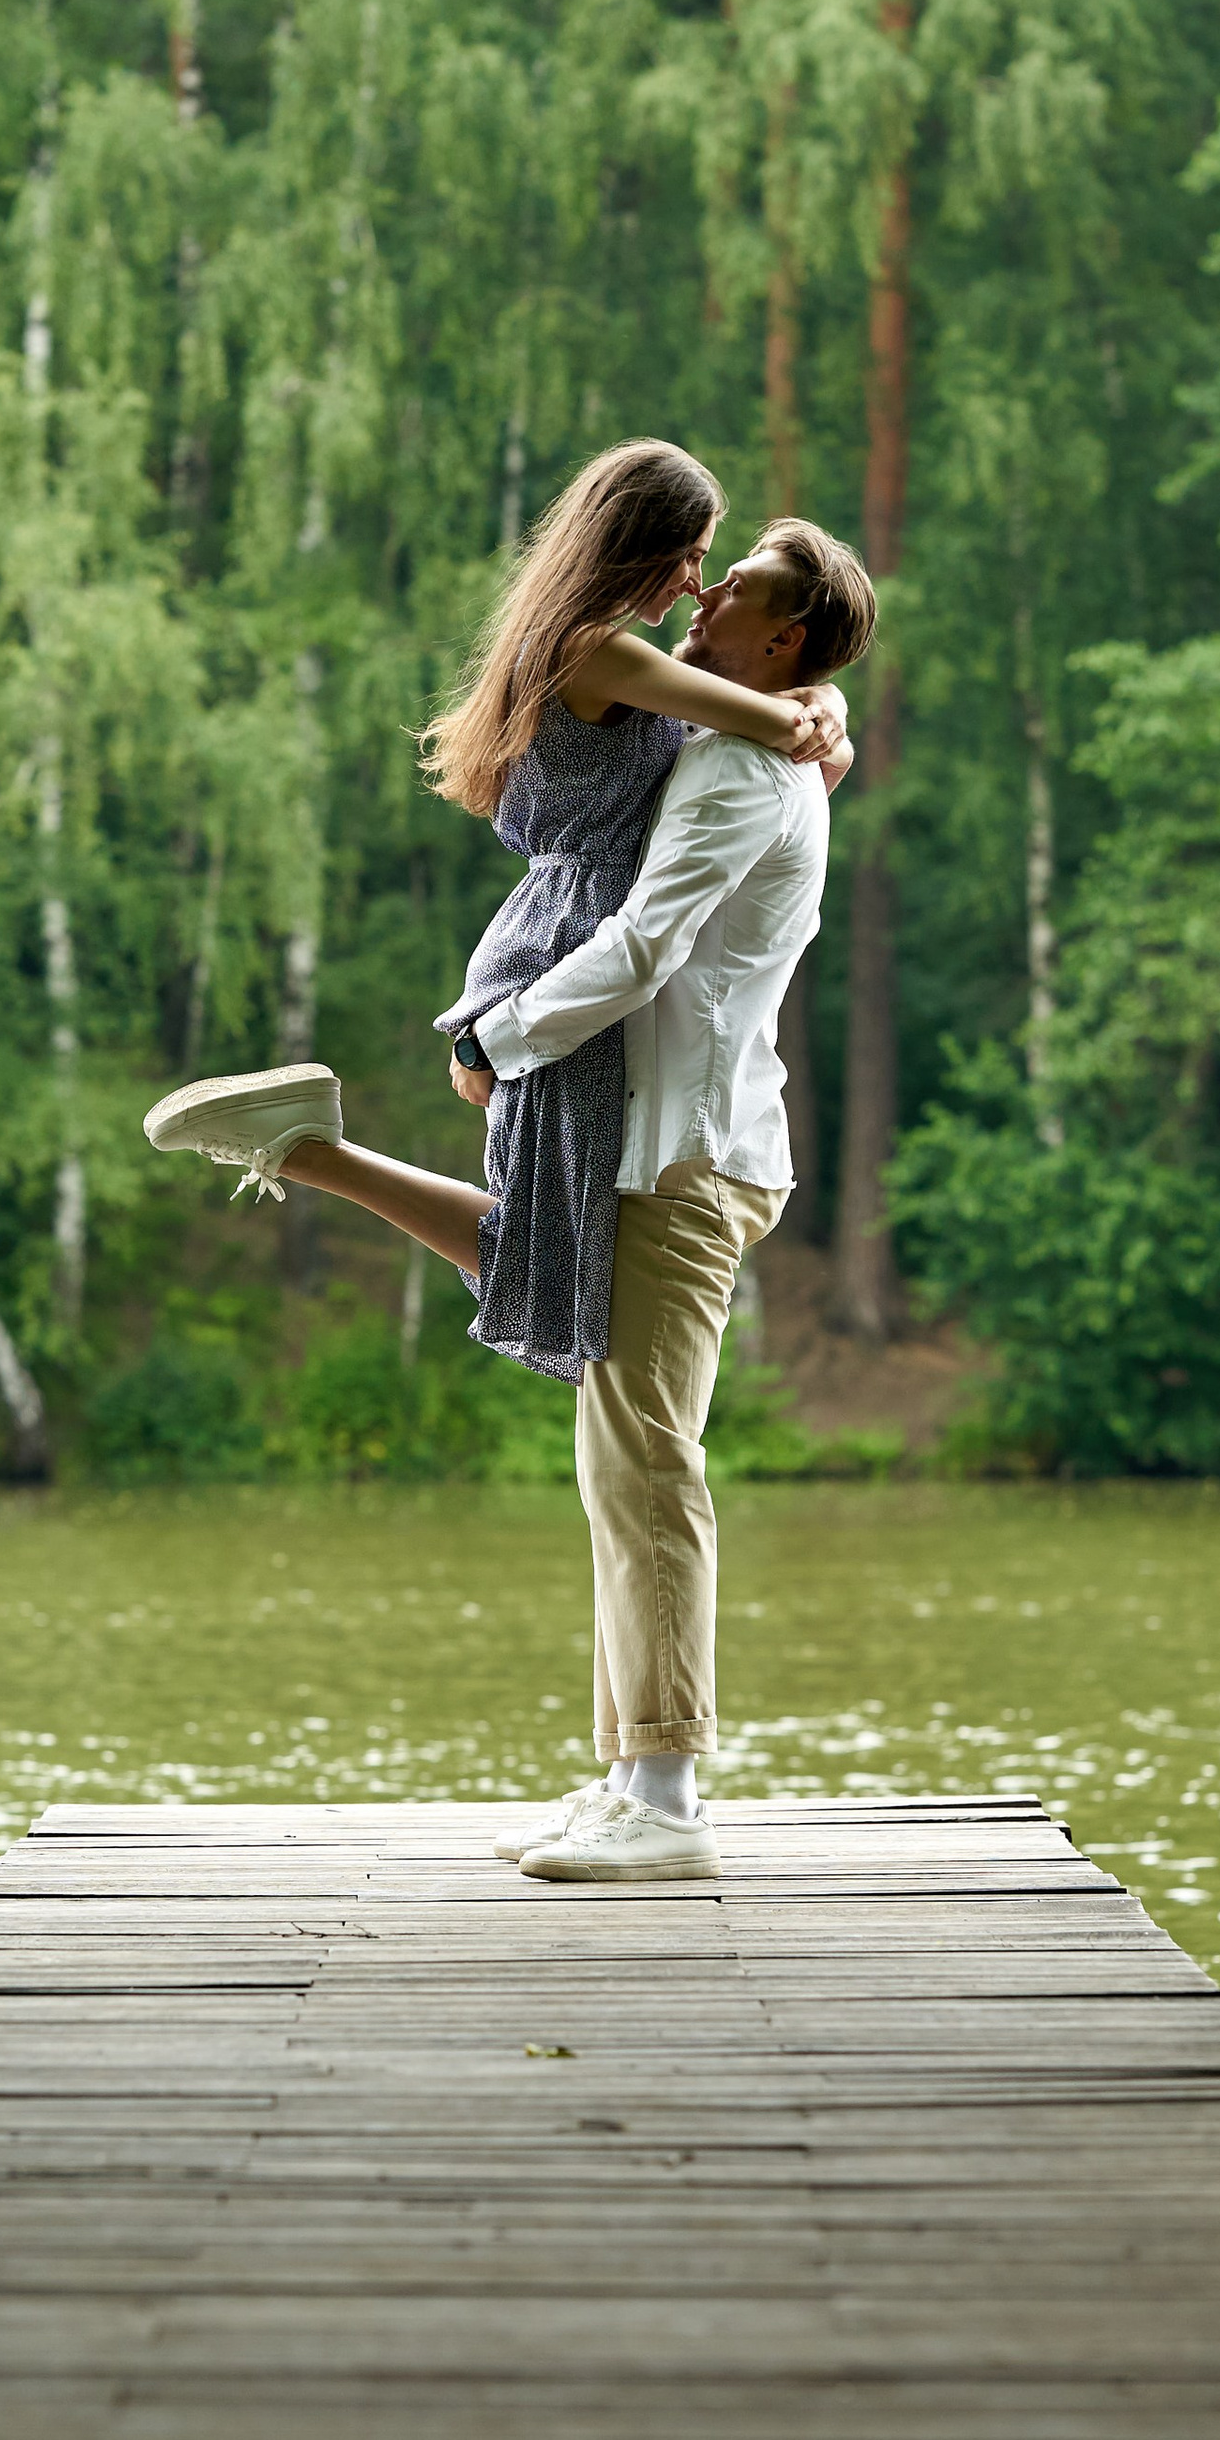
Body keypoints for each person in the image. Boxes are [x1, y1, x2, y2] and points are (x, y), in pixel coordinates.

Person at [144, 478, 876, 1884]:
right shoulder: (716, 726)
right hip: (648, 1134)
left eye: (746, 594)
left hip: (684, 1152)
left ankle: (666, 1800)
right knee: (616, 1464)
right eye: (708, 576)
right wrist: (812, 716)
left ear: (787, 647)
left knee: (647, 1468)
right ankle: (630, 1778)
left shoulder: (736, 763)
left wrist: (497, 1028)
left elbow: (650, 947)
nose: (711, 596)